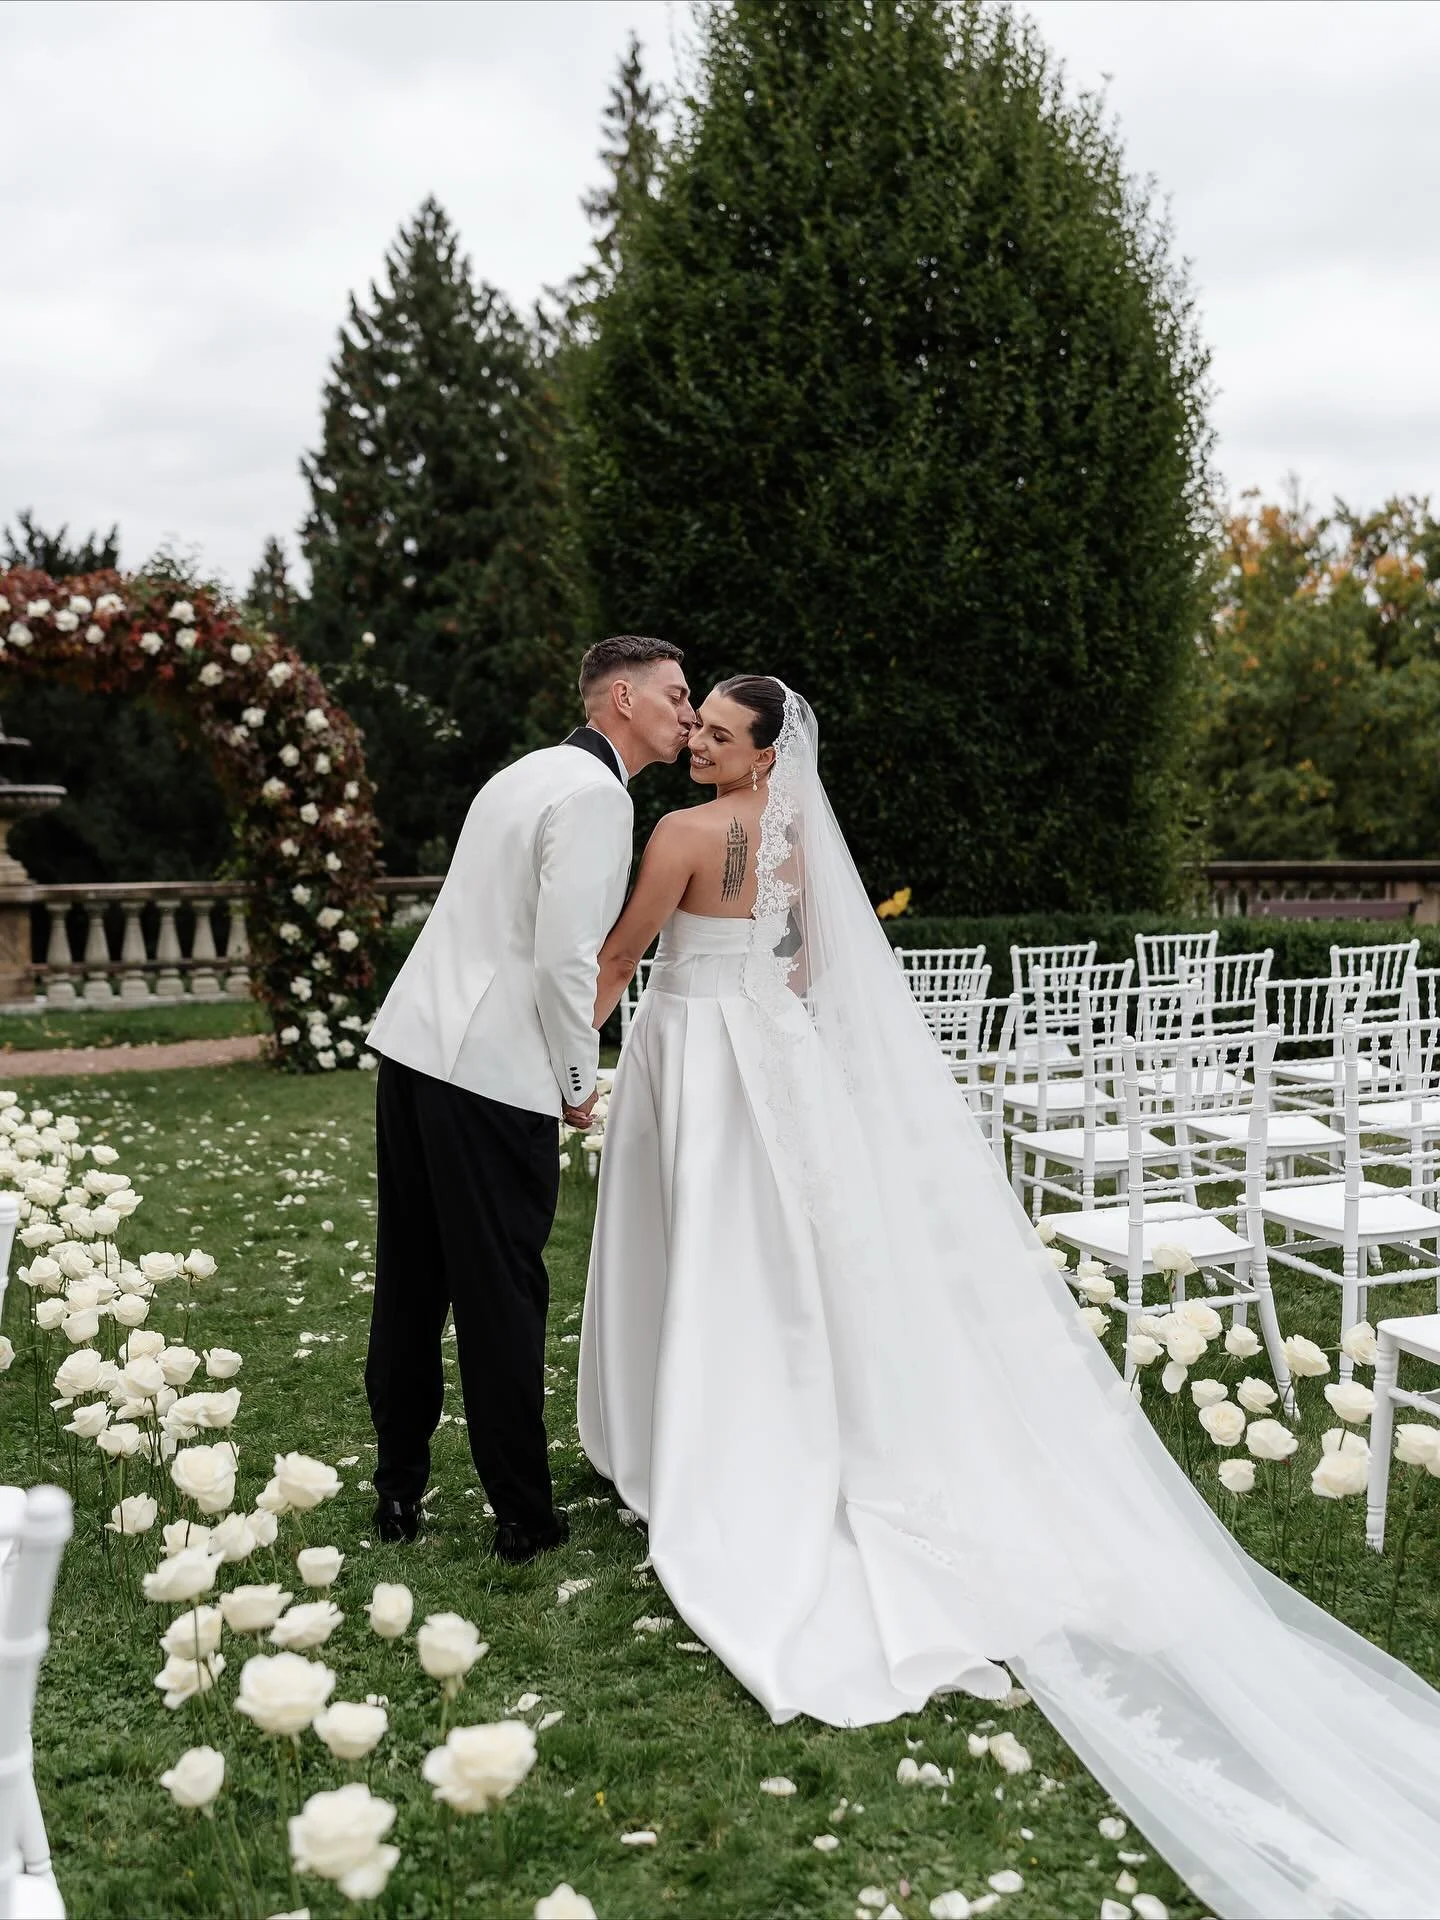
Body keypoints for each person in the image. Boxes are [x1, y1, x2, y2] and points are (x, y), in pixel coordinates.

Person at [580, 675, 1440, 1919]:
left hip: (695, 1053)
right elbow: (812, 967)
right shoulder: (799, 836)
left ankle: (711, 1430)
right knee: (786, 1258)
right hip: (775, 1055)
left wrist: (573, 1052)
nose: (699, 739)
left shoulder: (677, 831)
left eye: (718, 730)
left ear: (762, 752)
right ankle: (771, 1406)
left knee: (712, 1242)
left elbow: (625, 953)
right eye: (697, 725)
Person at [365, 634, 694, 1561]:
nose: (688, 712)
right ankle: (522, 1514)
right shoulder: (596, 795)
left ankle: (398, 1492)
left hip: (415, 1048)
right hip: (491, 1070)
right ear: (621, 698)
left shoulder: (525, 772)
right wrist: (578, 1078)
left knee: (411, 1278)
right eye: (675, 694)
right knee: (501, 1289)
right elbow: (563, 960)